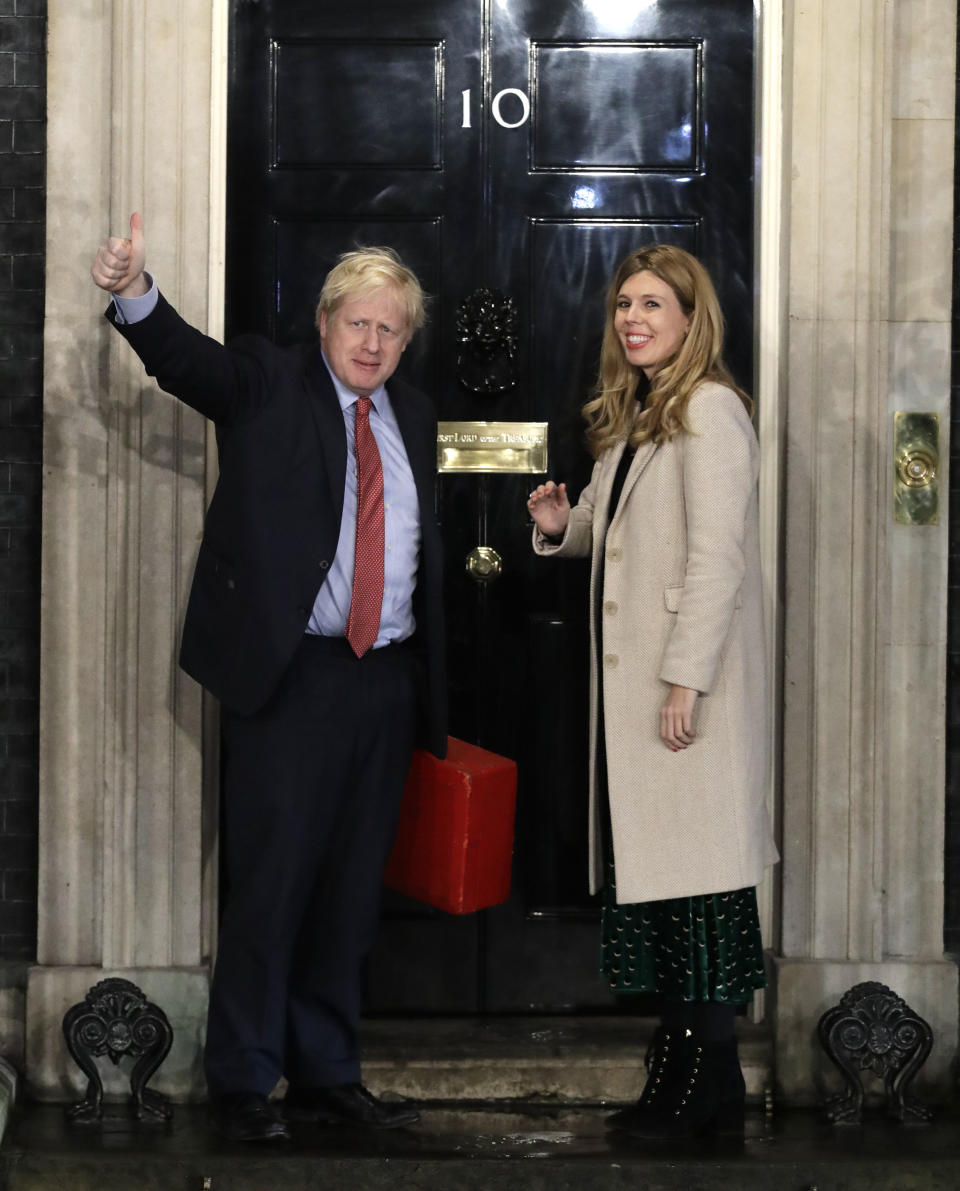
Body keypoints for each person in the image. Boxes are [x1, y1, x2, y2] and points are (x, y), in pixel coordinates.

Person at [91, 214, 447, 1142]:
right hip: (294, 681)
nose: (372, 343)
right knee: (273, 884)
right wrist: (134, 291)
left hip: (382, 684)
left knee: (350, 895)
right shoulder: (269, 382)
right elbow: (186, 361)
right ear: (325, 324)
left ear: (405, 341)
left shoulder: (411, 412)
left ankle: (328, 1071)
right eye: (358, 324)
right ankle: (245, 1081)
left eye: (390, 330)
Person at [527, 244, 778, 1139]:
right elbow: (609, 527)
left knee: (701, 897)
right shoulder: (636, 413)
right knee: (668, 900)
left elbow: (718, 559)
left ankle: (708, 1096)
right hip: (644, 708)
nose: (633, 318)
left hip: (687, 703)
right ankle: (678, 1086)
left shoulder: (710, 410)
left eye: (652, 305)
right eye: (625, 304)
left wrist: (685, 679)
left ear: (689, 317)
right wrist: (563, 529)